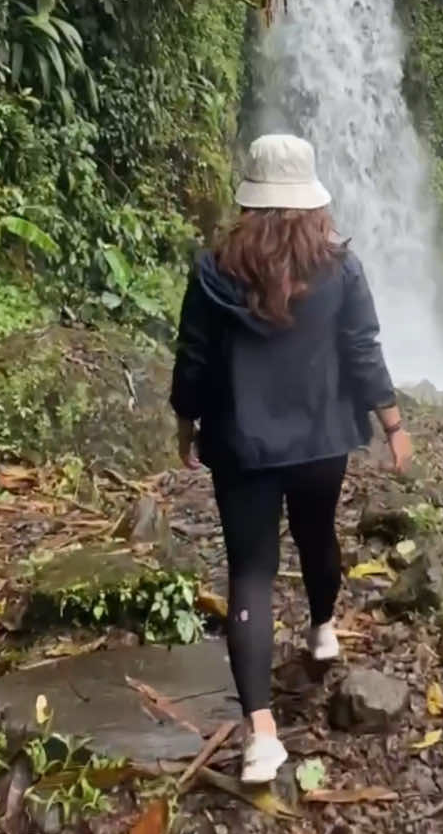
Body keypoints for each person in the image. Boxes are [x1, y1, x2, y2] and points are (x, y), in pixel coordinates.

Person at [171, 133, 411, 784]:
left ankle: (262, 738)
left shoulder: (213, 269)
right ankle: (325, 628)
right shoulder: (340, 266)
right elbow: (363, 348)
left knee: (249, 572)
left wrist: (185, 421)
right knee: (316, 534)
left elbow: (193, 355)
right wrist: (391, 420)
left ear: (250, 198)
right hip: (320, 440)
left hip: (242, 444)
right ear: (311, 200)